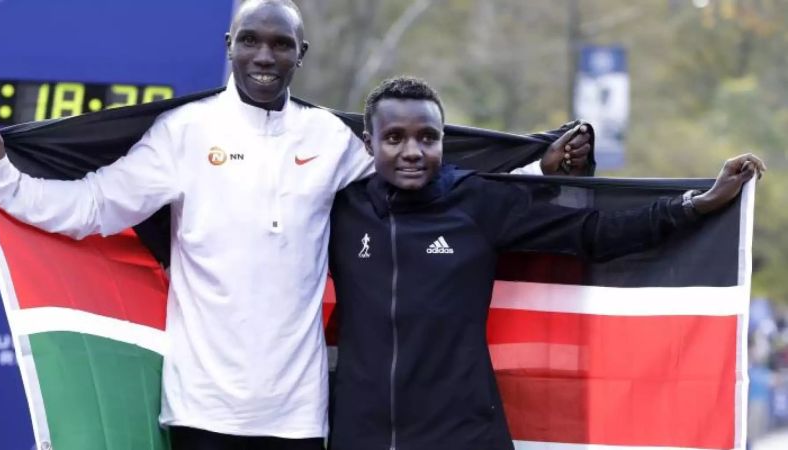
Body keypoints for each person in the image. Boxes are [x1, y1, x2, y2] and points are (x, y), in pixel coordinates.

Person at [0, 2, 591, 449]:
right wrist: (0, 176)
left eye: (281, 43)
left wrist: (535, 164)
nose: (265, 54)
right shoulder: (184, 134)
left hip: (298, 414)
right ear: (227, 47)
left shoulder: (328, 138)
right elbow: (92, 207)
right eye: (251, 40)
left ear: (300, 55)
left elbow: (427, 176)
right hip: (202, 407)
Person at [326, 76, 766, 450]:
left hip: (462, 433)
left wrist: (695, 205)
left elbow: (592, 232)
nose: (412, 151)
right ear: (368, 143)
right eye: (394, 137)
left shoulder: (478, 203)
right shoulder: (339, 210)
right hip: (358, 433)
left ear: (443, 141)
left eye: (427, 137)